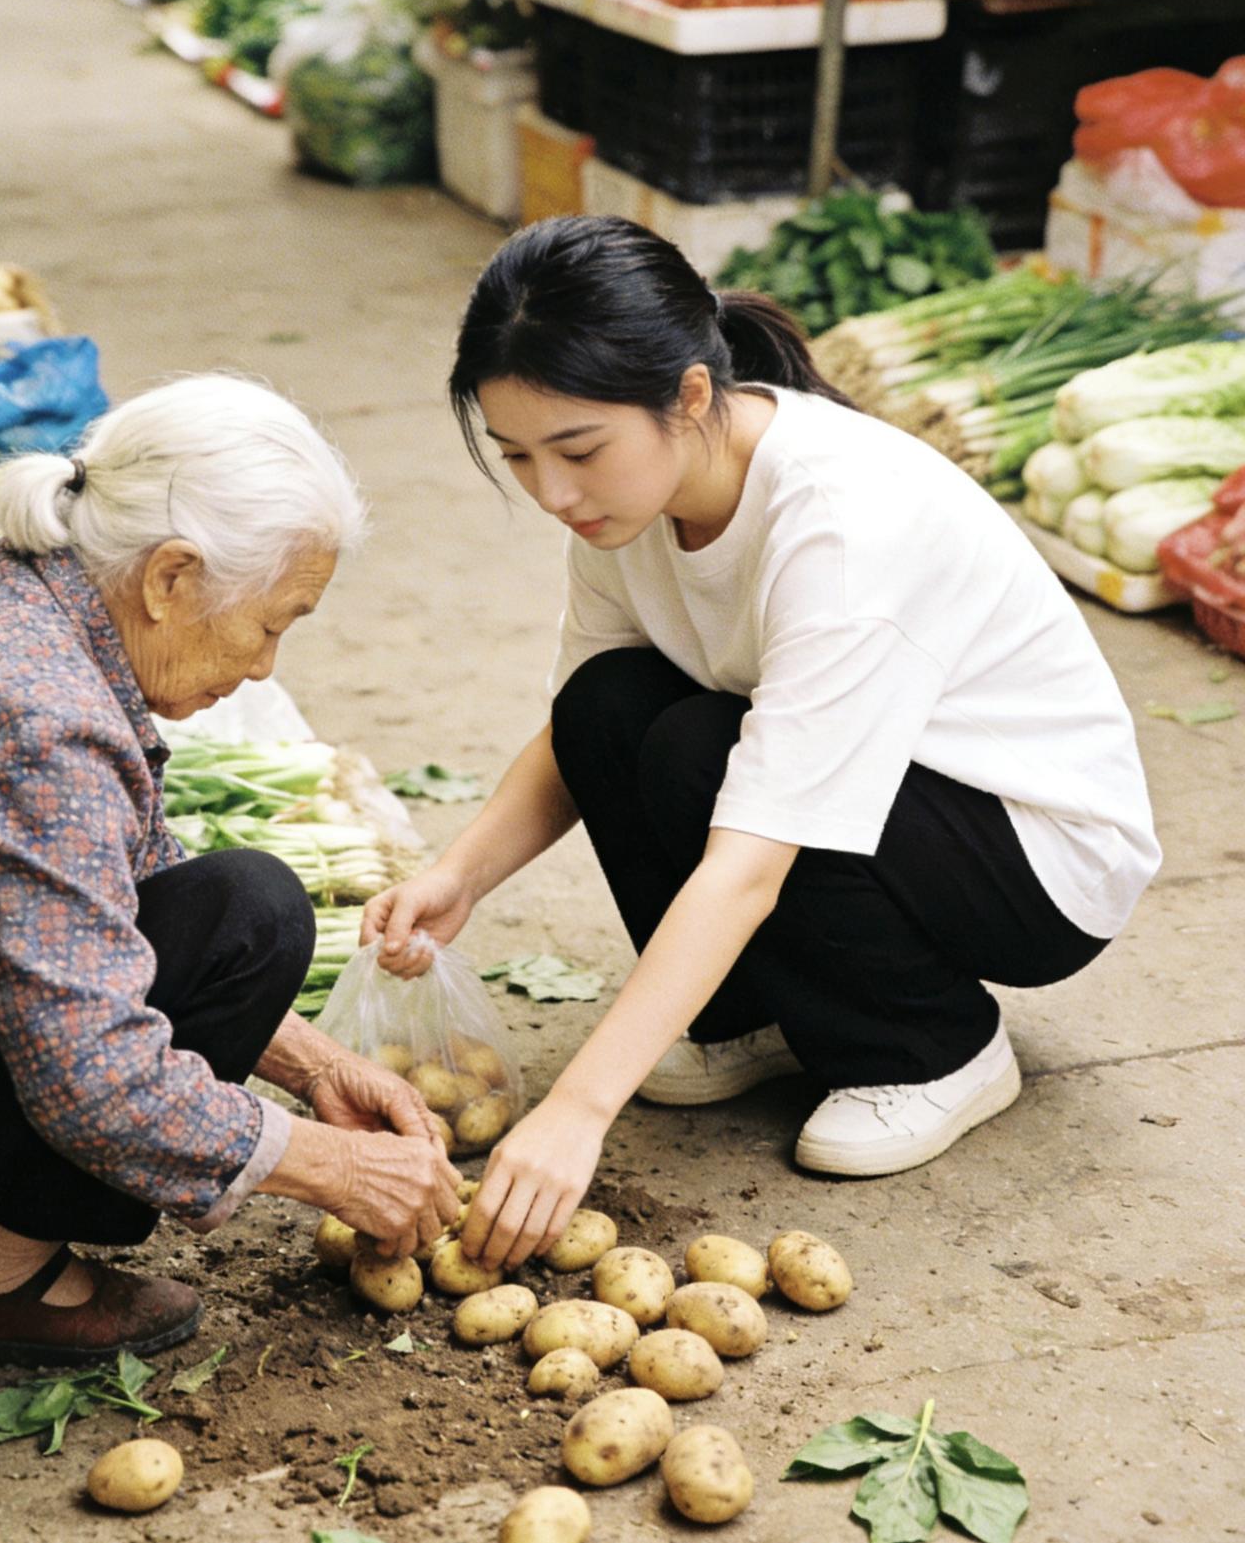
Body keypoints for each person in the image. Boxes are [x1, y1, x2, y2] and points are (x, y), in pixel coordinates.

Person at [361, 215, 1162, 1274]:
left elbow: (749, 862)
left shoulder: (839, 523)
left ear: (688, 396)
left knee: (701, 747)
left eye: (577, 449)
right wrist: (460, 874)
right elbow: (578, 733)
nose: (551, 492)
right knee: (611, 705)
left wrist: (575, 1109)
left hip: (1030, 857)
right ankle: (748, 1018)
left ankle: (935, 1050)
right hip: (872, 803)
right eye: (517, 456)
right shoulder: (624, 506)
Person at [0, 375, 460, 1368]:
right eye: (272, 621)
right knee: (256, 911)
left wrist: (320, 1068)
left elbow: (121, 900)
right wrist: (329, 1170)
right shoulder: (43, 724)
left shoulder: (20, 599)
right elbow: (90, 1079)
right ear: (169, 579)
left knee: (237, 912)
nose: (267, 665)